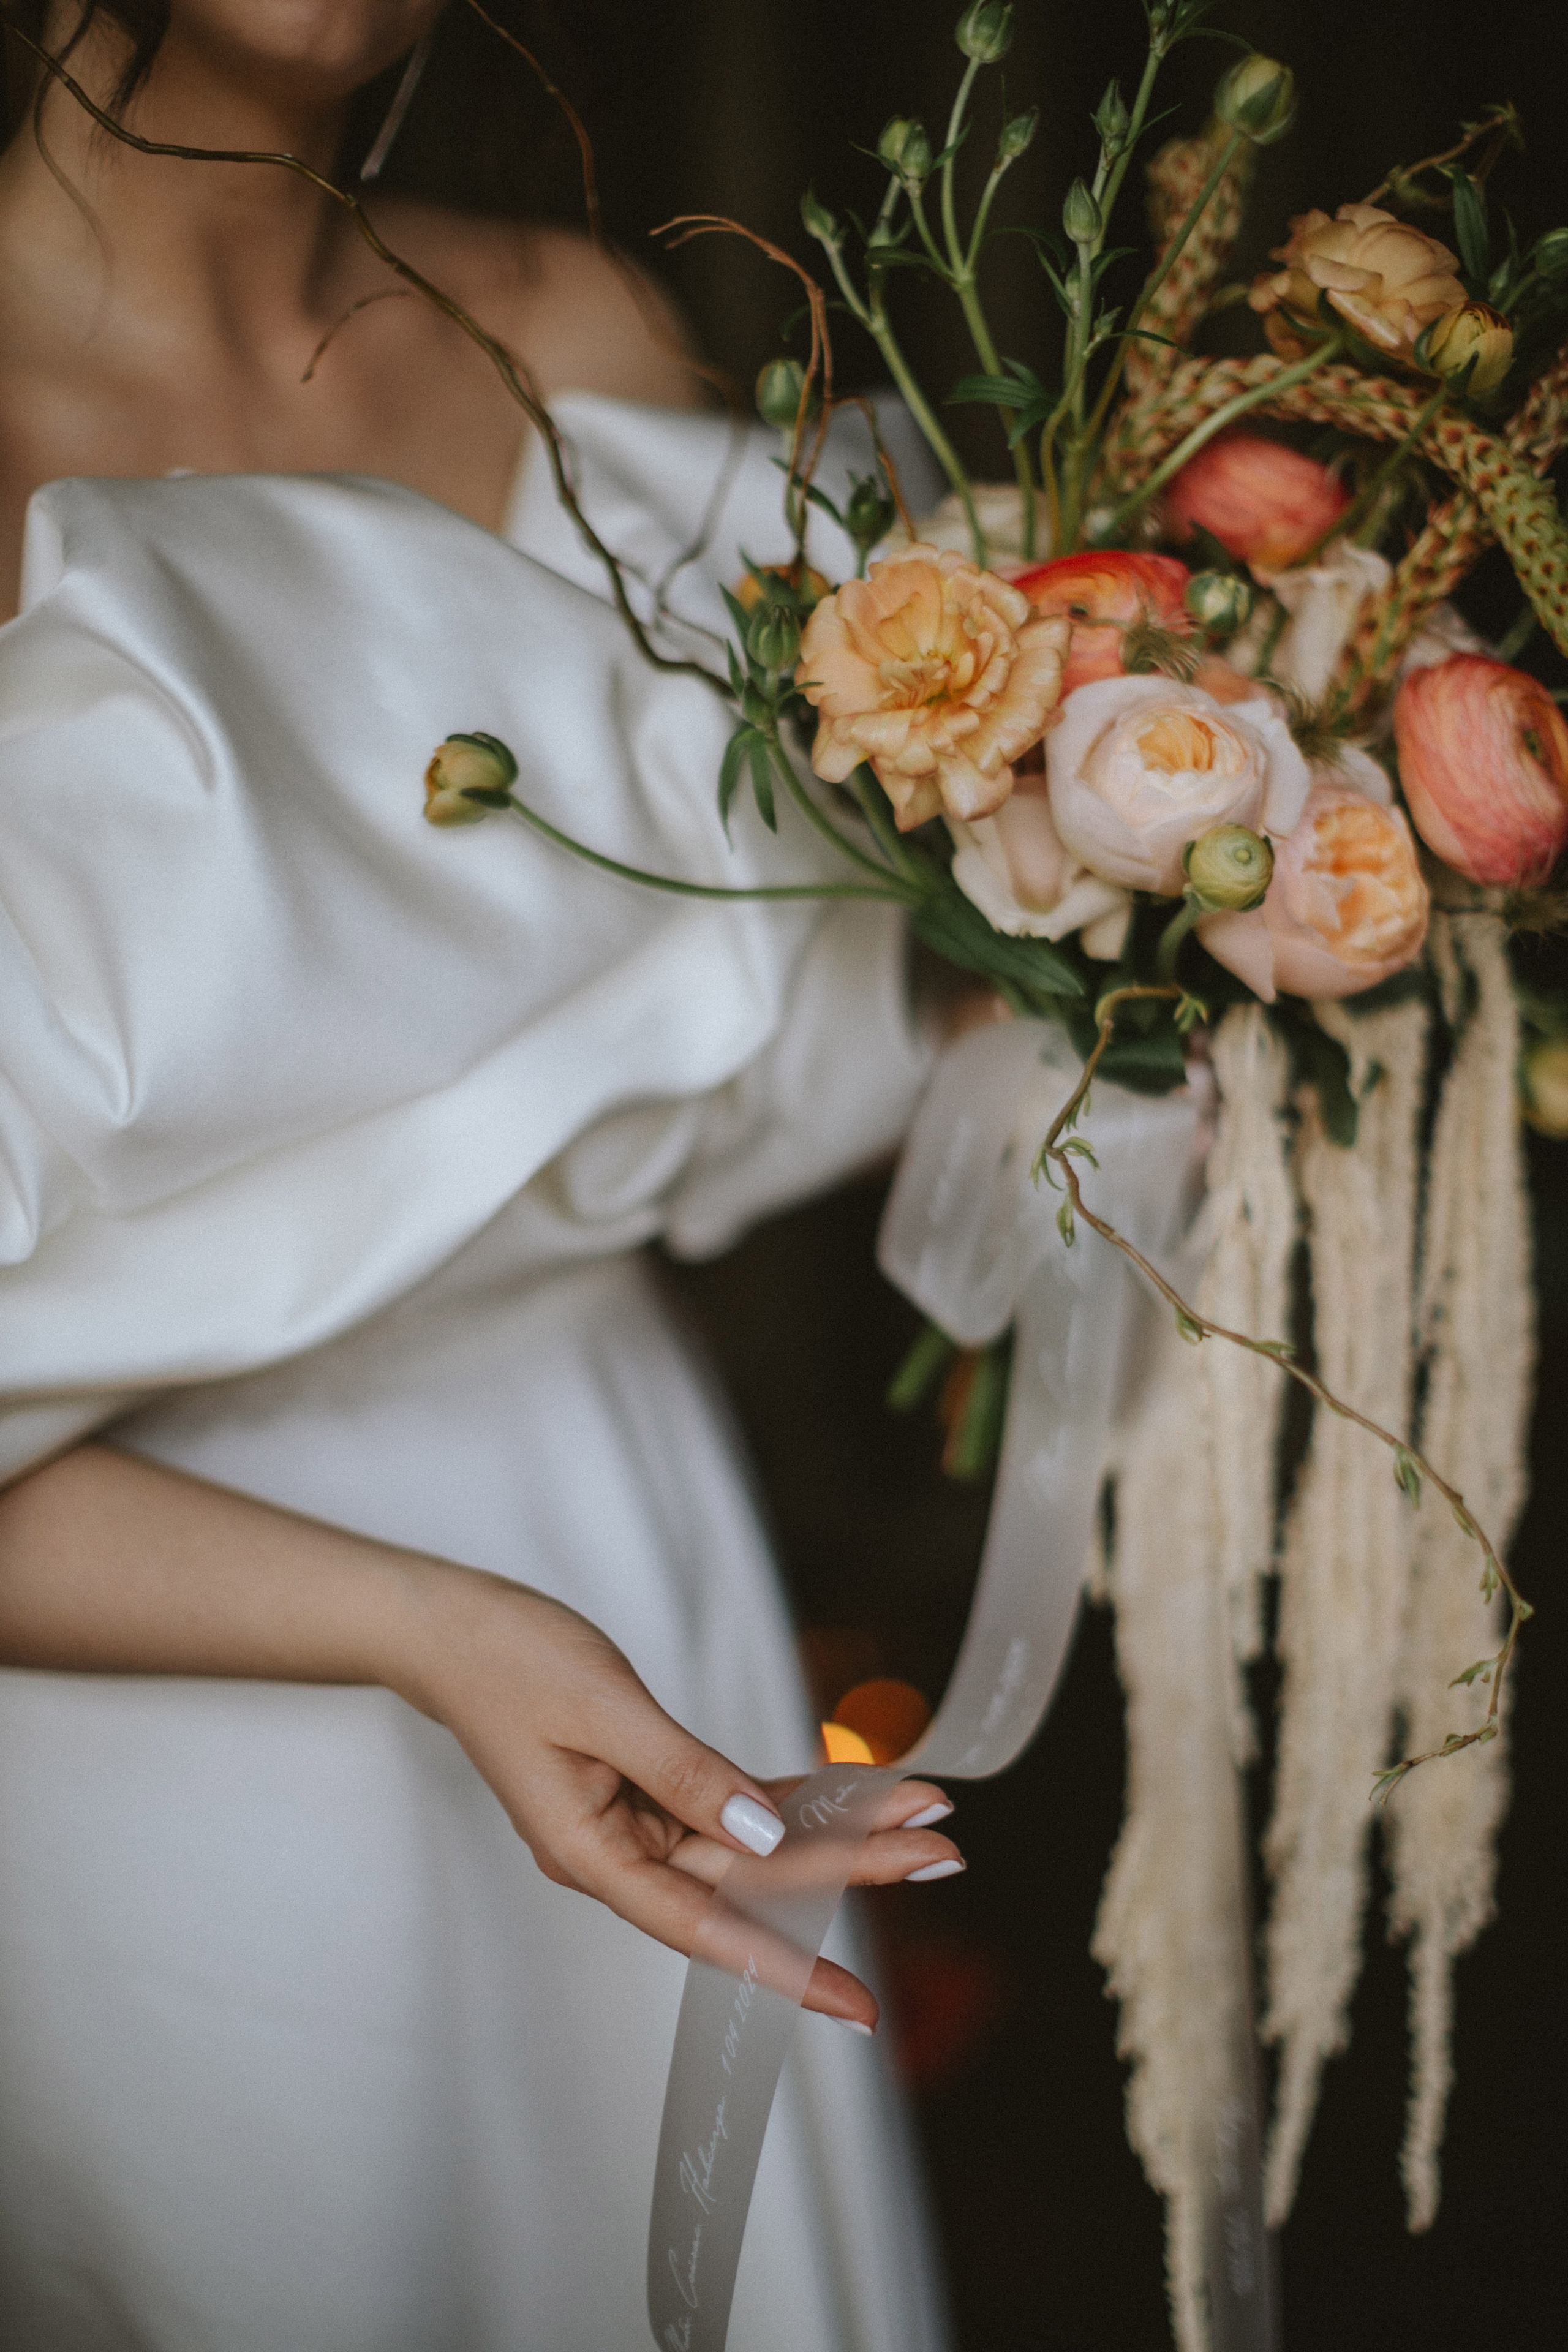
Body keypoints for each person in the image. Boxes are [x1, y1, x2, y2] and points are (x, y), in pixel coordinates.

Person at [0, 6, 957, 2345]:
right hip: (142, 1659)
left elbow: (794, 1012)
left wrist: (1204, 879)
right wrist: (423, 1630)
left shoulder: (584, 339)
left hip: (611, 1508)